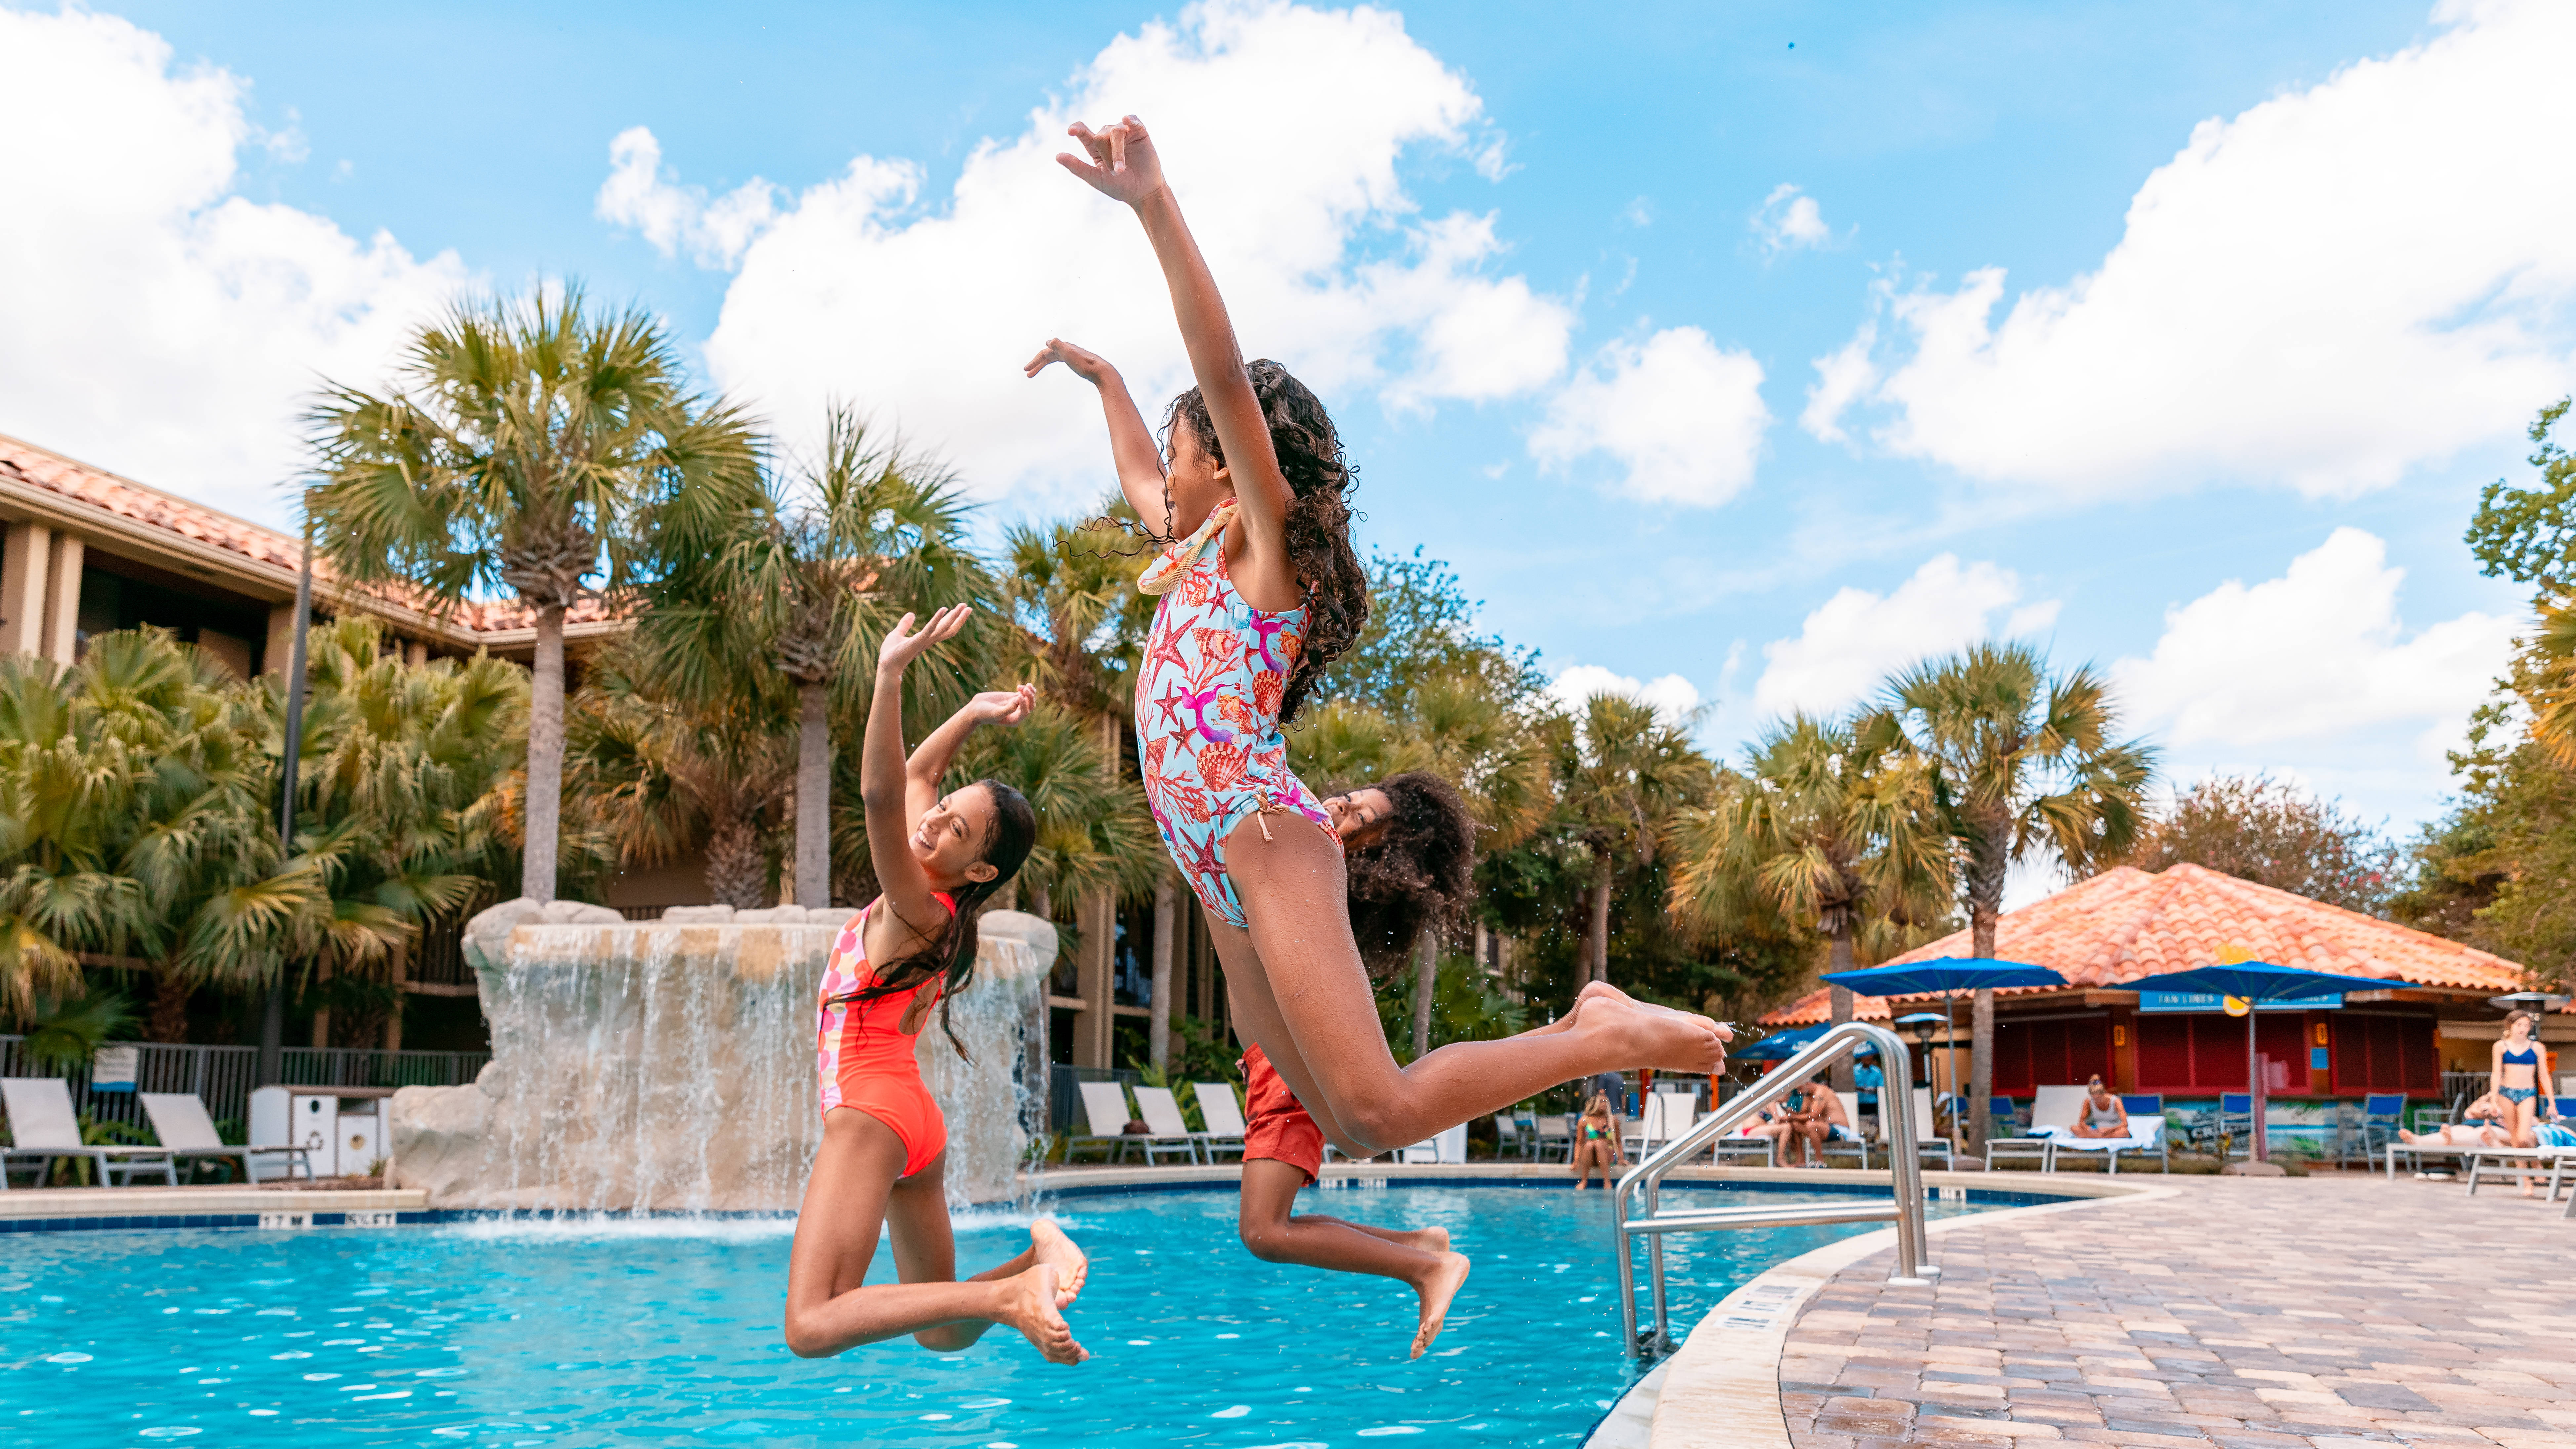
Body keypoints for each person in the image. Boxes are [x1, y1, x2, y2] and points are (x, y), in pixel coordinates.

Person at [1028, 114, 1727, 1158]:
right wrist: (1112, 387)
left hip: (1260, 831)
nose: (1160, 479)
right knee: (1342, 1123)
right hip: (1211, 858)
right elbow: (1141, 475)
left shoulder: (1263, 552)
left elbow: (1222, 373)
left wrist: (1154, 208)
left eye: (1181, 456)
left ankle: (1593, 1030)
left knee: (1383, 1106)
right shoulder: (1194, 544)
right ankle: (1588, 1030)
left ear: (1229, 463)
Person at [783, 606, 1088, 1365]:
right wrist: (972, 714)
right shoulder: (939, 898)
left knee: (812, 1325)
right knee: (940, 1331)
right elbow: (918, 777)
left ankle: (1006, 1297)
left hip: (870, 1110)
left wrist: (890, 673)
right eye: (948, 811)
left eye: (953, 830)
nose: (933, 823)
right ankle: (1032, 1267)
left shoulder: (917, 909)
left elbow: (885, 797)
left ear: (979, 869)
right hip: (911, 1119)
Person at [1235, 771, 1475, 1358]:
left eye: (1358, 820)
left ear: (1375, 861)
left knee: (1265, 1229)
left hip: (1286, 1063)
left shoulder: (1318, 885)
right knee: (1268, 1226)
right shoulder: (1299, 860)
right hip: (1269, 1055)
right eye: (1350, 799)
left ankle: (1424, 1268)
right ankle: (1421, 1245)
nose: (1340, 808)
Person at [2493, 1011, 2551, 1148]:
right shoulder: (2500, 1046)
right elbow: (2496, 1074)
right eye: (2519, 1025)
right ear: (2511, 1026)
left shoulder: (2537, 1047)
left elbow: (2544, 1075)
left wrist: (2552, 1102)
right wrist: (2494, 1101)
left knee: (2523, 1138)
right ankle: (2523, 1170)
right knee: (2514, 1137)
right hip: (2506, 1092)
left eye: (2526, 1026)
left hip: (2528, 1093)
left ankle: (2536, 1165)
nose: (2523, 1029)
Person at [1571, 1090, 1625, 1189]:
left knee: (1599, 1144)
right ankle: (1584, 1181)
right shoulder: (1584, 1121)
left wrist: (1621, 1159)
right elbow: (1579, 1143)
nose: (1604, 1104)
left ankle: (1607, 1182)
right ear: (1594, 1104)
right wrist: (1576, 1161)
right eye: (1601, 1102)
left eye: (1606, 1102)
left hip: (1607, 1155)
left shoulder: (1613, 1121)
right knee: (1589, 1145)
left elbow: (1618, 1141)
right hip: (1590, 1156)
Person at [2065, 1076, 2130, 1139]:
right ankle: (2098, 1136)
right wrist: (2088, 1129)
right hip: (2097, 1130)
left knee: (2124, 1132)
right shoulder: (2088, 1102)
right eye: (2094, 1099)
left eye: (2099, 1098)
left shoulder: (2116, 1101)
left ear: (2104, 1094)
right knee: (2074, 1128)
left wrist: (2109, 1130)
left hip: (2113, 1130)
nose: (2097, 1101)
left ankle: (2092, 1137)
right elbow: (2081, 1122)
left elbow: (2125, 1123)